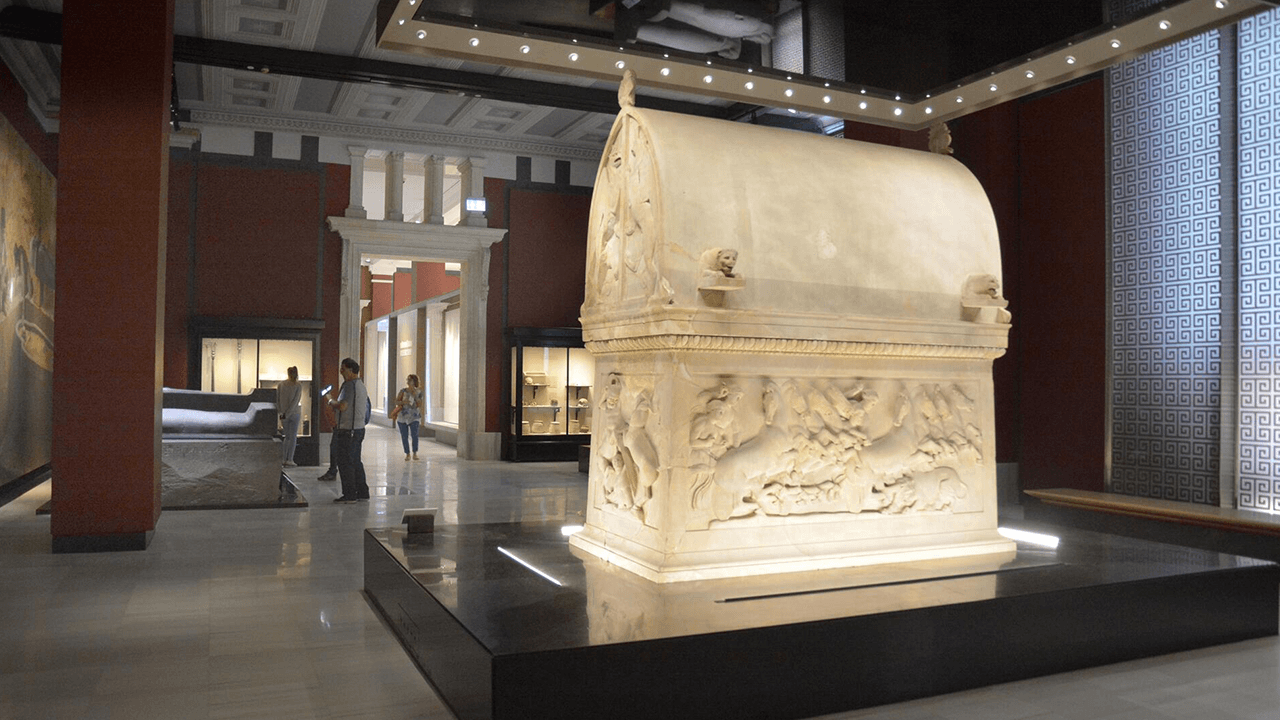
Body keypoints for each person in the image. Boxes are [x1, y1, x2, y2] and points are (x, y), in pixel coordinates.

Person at [325, 357, 369, 503]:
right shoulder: (361, 385)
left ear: (350, 370)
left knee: (345, 462)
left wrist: (330, 401)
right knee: (355, 461)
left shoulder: (350, 386)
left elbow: (343, 406)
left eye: (343, 369)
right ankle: (362, 493)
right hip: (358, 429)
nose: (340, 371)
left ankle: (350, 494)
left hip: (348, 430)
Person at [277, 366, 303, 467]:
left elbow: (277, 400)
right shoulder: (298, 385)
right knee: (293, 437)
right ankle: (290, 459)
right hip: (295, 413)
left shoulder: (281, 385)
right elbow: (296, 401)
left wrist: (281, 413)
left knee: (286, 437)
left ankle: (283, 459)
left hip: (283, 414)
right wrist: (289, 413)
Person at [394, 374, 423, 461]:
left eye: (410, 380)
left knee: (415, 435)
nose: (408, 381)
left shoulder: (419, 392)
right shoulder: (403, 391)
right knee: (404, 436)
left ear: (414, 381)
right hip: (403, 416)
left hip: (414, 416)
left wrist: (414, 395)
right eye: (407, 380)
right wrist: (403, 402)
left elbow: (419, 404)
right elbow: (396, 401)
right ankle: (407, 453)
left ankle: (415, 452)